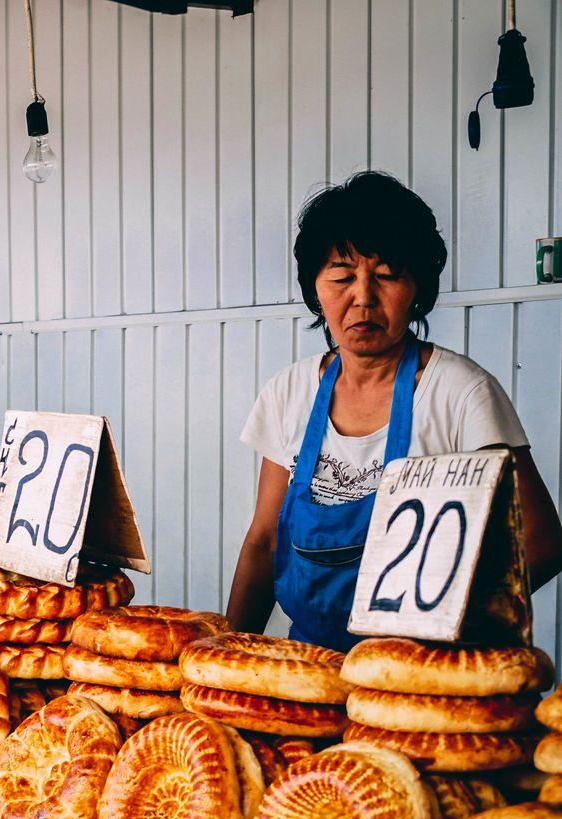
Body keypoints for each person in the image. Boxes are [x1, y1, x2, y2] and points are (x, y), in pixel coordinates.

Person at [227, 171, 562, 649]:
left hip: (420, 673)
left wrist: (450, 627)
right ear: (316, 290)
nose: (363, 296)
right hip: (310, 667)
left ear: (417, 287)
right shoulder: (288, 393)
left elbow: (543, 540)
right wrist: (228, 657)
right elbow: (264, 543)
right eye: (342, 276)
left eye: (386, 275)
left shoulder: (461, 393)